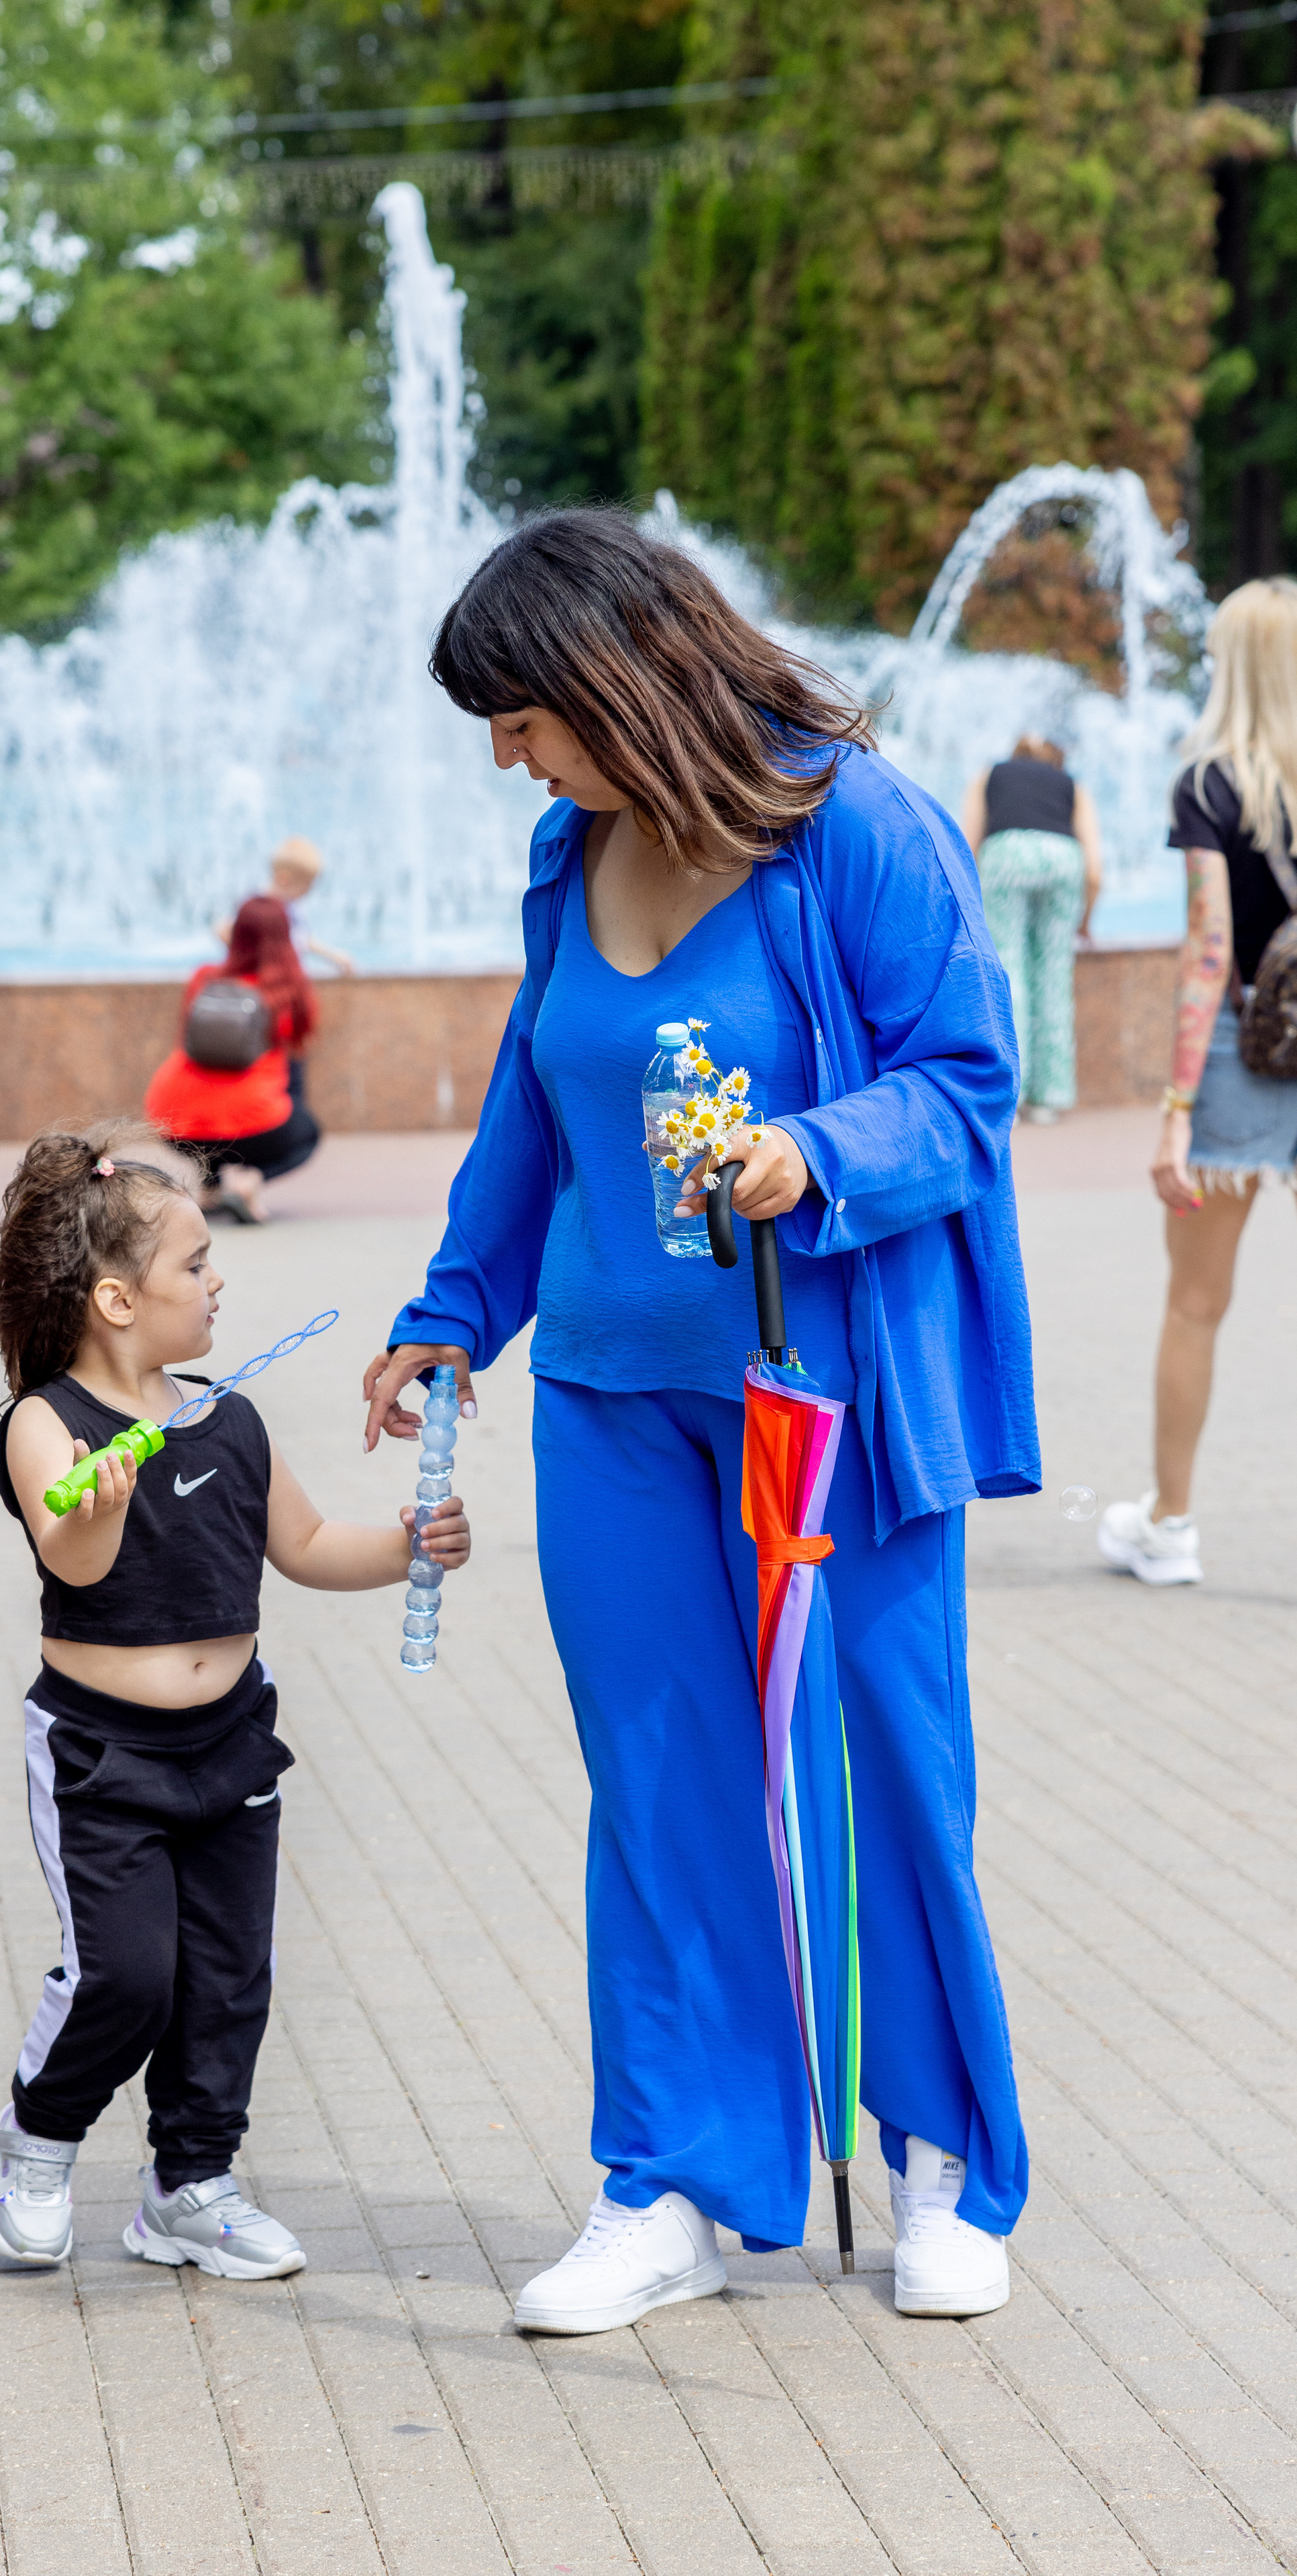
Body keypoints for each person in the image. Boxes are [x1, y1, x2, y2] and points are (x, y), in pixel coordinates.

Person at [361, 510, 1039, 2332]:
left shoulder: (854, 826)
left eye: (522, 713)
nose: (509, 753)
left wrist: (818, 1147)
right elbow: (538, 1087)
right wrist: (452, 1307)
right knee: (662, 1785)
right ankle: (671, 2171)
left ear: (618, 678)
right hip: (610, 1395)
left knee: (889, 1764)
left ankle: (943, 2158)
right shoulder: (567, 848)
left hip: (828, 1397)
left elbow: (974, 1082)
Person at [0, 1119, 470, 2274]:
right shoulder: (45, 1424)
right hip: (104, 1757)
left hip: (232, 1740)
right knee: (128, 1974)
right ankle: (38, 2140)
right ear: (113, 1298)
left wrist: (406, 1545)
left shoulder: (230, 1415)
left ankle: (190, 2184)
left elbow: (303, 1544)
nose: (217, 1279)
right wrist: (95, 1503)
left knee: (227, 1979)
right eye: (194, 1264)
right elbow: (74, 1562)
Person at [1099, 579, 1297, 1587]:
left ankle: (1171, 1523)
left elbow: (1209, 950)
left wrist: (1174, 1114)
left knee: (1195, 1304)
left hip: (1242, 1056)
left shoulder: (1213, 784)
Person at [146, 895, 321, 1224]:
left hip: (173, 1119)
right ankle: (247, 1182)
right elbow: (299, 1042)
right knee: (305, 1126)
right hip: (256, 1124)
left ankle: (211, 1189)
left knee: (214, 1111)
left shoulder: (204, 979)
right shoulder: (288, 991)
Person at [961, 736, 1102, 1124]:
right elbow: (1095, 869)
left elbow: (965, 845)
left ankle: (1013, 1091)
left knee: (1010, 971)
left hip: (1006, 857)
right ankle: (1050, 1097)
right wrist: (1085, 922)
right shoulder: (1072, 784)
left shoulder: (990, 776)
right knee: (1054, 975)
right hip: (1063, 860)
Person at [213, 836, 357, 983]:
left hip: (285, 981)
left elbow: (303, 939)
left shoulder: (293, 908)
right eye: (306, 886)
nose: (308, 892)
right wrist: (247, 958)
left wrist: (333, 956)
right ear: (284, 879)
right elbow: (222, 929)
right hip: (260, 982)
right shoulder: (256, 906)